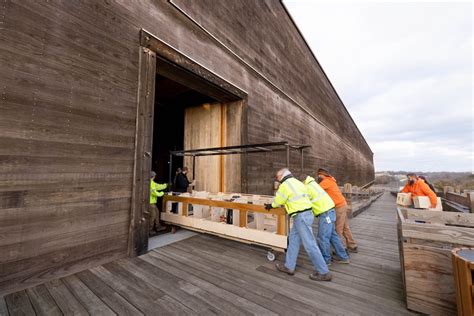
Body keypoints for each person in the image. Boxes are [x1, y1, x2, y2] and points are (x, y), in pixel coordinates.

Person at [265, 168, 332, 281]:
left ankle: (324, 272)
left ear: (282, 175)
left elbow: (279, 201)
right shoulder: (298, 183)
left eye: (277, 177)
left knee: (310, 245)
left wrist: (271, 206)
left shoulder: (285, 185)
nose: (277, 179)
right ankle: (289, 266)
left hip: (301, 217)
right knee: (294, 240)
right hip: (304, 215)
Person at [304, 175, 350, 265]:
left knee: (323, 237)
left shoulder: (307, 188)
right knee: (333, 236)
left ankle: (326, 260)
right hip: (330, 211)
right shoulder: (314, 184)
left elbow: (304, 202)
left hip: (325, 214)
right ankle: (343, 257)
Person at [317, 168, 358, 253]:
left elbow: (316, 190)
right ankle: (352, 245)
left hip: (338, 207)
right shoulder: (331, 180)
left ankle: (342, 249)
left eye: (319, 175)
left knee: (338, 228)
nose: (318, 176)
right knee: (345, 227)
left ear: (322, 175)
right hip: (342, 205)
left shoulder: (325, 182)